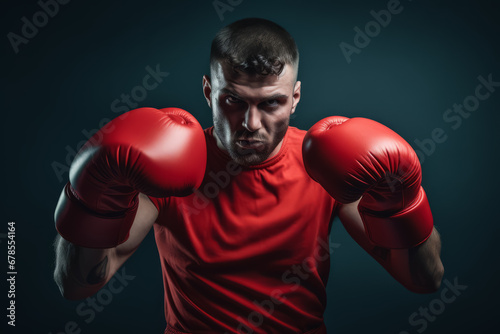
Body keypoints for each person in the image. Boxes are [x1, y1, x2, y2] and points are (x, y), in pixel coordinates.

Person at [53, 18, 444, 334]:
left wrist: (402, 199)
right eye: (233, 101)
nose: (250, 124)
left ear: (295, 99)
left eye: (271, 103)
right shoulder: (171, 163)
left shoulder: (324, 164)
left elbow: (424, 280)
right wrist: (92, 193)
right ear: (208, 92)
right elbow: (77, 285)